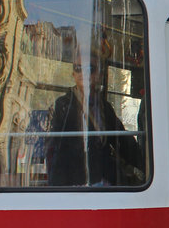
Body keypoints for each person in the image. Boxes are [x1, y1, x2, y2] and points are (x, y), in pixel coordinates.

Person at [47, 52, 143, 186]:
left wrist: (147, 165)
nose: (83, 73)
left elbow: (122, 142)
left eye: (90, 69)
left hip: (101, 181)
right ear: (73, 74)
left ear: (99, 75)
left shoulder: (104, 107)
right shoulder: (63, 105)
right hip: (73, 184)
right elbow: (56, 150)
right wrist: (59, 189)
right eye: (78, 68)